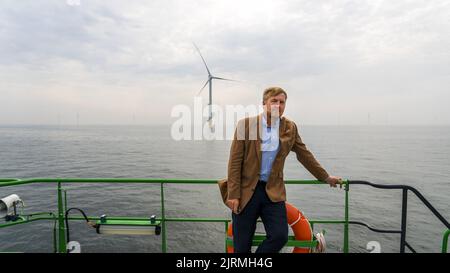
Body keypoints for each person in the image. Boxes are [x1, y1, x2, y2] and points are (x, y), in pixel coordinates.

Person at [221, 87, 342, 253]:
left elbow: (304, 154)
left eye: (282, 102)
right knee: (241, 245)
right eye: (274, 101)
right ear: (264, 103)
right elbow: (235, 161)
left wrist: (326, 177)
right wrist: (233, 194)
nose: (278, 105)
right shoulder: (245, 125)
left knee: (279, 236)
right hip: (246, 192)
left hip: (273, 192)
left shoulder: (290, 128)